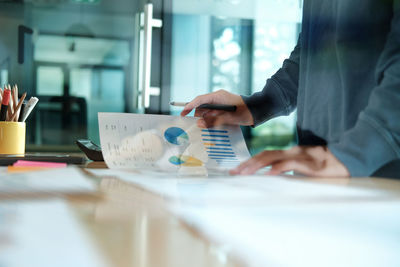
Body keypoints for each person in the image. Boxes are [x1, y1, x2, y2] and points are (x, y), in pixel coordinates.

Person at [181, 0, 400, 177]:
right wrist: (256, 105)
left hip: (378, 170)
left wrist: (356, 153)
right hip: (318, 164)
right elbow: (311, 51)